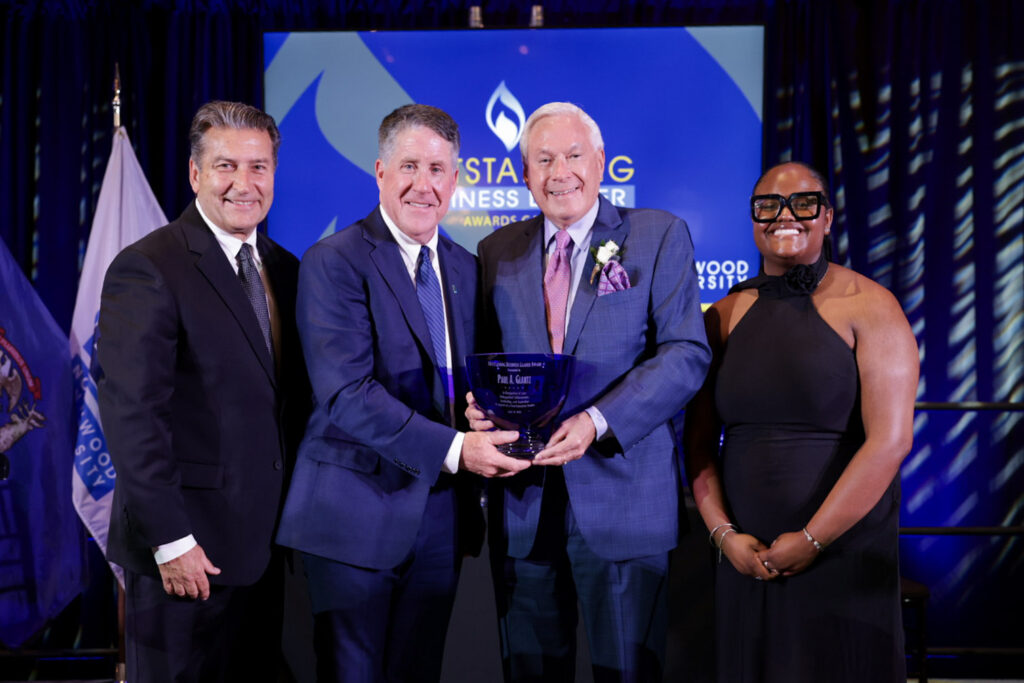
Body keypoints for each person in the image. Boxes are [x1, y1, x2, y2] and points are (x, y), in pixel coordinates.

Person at [274, 104, 527, 683]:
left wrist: (491, 416)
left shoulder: (466, 268)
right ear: (381, 172)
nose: (424, 184)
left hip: (440, 516)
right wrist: (462, 449)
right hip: (351, 514)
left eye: (438, 169)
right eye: (409, 166)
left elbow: (470, 384)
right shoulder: (333, 261)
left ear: (456, 180)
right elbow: (346, 393)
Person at [470, 102, 711, 681]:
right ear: (524, 173)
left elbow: (686, 354)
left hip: (624, 501)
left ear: (601, 162)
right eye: (543, 159)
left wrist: (597, 421)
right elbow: (485, 362)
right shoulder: (495, 251)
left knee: (626, 671)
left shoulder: (657, 235)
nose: (560, 172)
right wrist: (478, 408)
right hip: (524, 503)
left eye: (574, 155)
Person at [97, 101, 310, 682]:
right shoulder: (148, 267)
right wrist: (170, 540)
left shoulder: (286, 271)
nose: (245, 184)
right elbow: (132, 414)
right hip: (185, 558)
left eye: (259, 167)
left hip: (266, 556)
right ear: (195, 174)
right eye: (226, 166)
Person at [683, 161, 919, 682]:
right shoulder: (720, 315)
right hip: (747, 556)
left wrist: (812, 539)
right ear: (752, 219)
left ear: (828, 218)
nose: (784, 216)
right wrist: (724, 536)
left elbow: (890, 441)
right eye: (768, 205)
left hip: (841, 552)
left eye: (803, 204)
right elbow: (697, 444)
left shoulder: (873, 307)